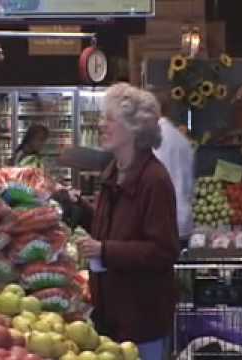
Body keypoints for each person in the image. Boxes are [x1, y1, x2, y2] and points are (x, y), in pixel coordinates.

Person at [75, 83, 179, 360]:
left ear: (135, 128)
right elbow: (110, 229)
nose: (101, 125)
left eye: (109, 119)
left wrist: (104, 251)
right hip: (111, 317)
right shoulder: (114, 172)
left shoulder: (154, 180)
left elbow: (163, 251)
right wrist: (76, 207)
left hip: (142, 319)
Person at [150, 86, 195, 249]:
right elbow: (190, 185)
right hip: (184, 221)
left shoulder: (153, 140)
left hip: (161, 222)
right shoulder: (182, 141)